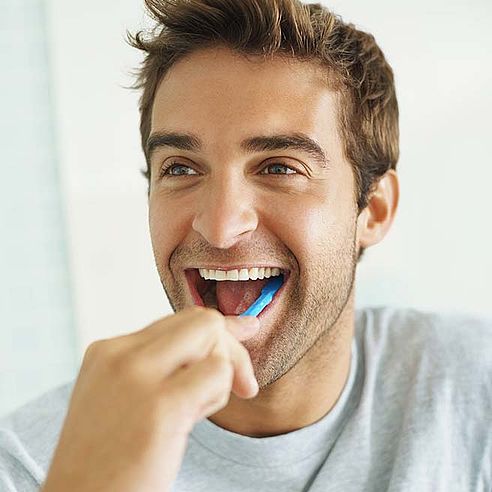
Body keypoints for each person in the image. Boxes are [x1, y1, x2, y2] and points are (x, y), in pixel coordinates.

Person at [1, 0, 491, 490]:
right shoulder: (32, 465)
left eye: (279, 167)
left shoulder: (474, 385)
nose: (219, 227)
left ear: (375, 210)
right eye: (181, 168)